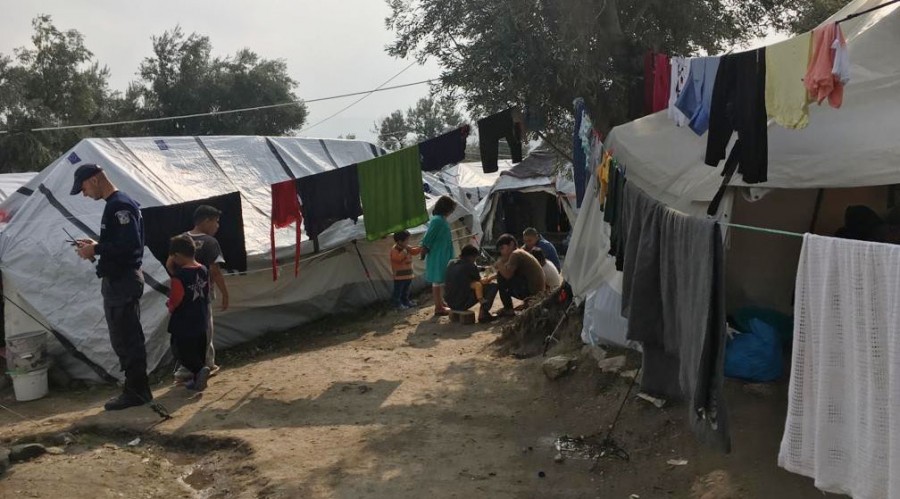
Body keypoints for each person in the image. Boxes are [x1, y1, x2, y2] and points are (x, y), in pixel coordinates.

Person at [70, 164, 152, 411]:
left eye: (83, 188)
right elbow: (121, 241)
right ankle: (135, 389)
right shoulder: (117, 204)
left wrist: (95, 249)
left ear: (94, 180)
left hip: (123, 280)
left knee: (127, 338)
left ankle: (137, 391)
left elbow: (130, 245)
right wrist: (96, 244)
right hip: (119, 280)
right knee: (122, 337)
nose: (84, 194)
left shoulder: (119, 205)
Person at [173, 205, 229, 382]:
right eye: (216, 222)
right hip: (203, 293)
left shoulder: (181, 239)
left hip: (183, 295)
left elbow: (170, 263)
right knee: (205, 329)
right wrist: (225, 293)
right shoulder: (210, 242)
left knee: (185, 332)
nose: (217, 226)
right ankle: (206, 365)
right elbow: (215, 271)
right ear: (206, 221)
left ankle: (185, 367)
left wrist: (178, 281)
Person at [165, 235, 212, 391]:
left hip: (184, 320)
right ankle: (198, 378)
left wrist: (170, 306)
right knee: (198, 349)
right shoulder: (203, 269)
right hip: (201, 317)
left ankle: (200, 370)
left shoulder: (180, 276)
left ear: (177, 255)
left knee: (181, 350)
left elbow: (177, 297)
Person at [421, 195, 457, 317]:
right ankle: (438, 307)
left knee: (440, 280)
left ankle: (441, 303)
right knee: (437, 281)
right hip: (438, 255)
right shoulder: (437, 220)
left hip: (443, 254)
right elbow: (428, 238)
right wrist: (423, 250)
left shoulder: (441, 219)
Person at [493, 233, 546, 316]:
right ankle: (520, 305)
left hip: (533, 293)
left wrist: (499, 263)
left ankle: (508, 309)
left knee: (501, 276)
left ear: (511, 244)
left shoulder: (516, 254)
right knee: (502, 274)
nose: (501, 252)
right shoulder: (519, 252)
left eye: (502, 248)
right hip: (536, 291)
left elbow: (507, 275)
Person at [445, 244, 498, 323]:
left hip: (450, 302)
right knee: (492, 287)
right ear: (471, 257)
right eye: (475, 258)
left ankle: (483, 313)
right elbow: (481, 282)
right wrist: (492, 277)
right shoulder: (470, 265)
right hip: (460, 304)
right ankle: (483, 314)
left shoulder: (451, 263)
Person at [390, 230, 422, 310]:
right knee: (398, 291)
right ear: (400, 241)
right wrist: (405, 251)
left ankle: (406, 302)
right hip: (399, 276)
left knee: (406, 291)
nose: (408, 241)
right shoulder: (395, 249)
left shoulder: (407, 247)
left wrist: (421, 247)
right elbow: (397, 259)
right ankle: (397, 304)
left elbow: (414, 251)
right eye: (407, 240)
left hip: (408, 274)